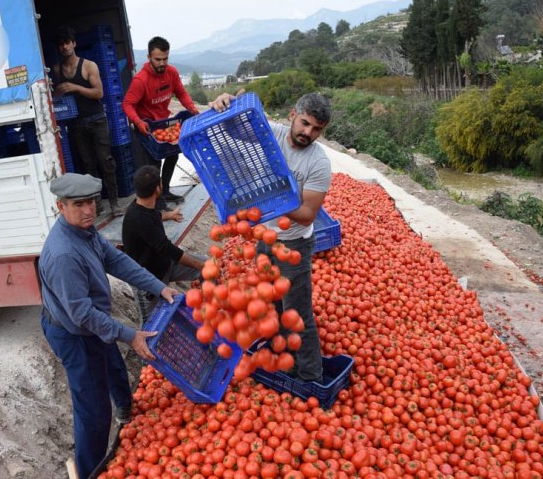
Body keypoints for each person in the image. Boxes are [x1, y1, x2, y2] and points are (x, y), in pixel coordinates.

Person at [39, 172, 179, 479]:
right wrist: (130, 335)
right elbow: (82, 315)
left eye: (91, 201)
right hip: (73, 333)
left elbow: (116, 261)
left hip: (89, 322)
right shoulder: (64, 254)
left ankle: (127, 412)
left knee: (115, 368)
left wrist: (158, 286)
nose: (89, 209)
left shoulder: (85, 231)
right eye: (79, 204)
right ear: (61, 207)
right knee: (93, 410)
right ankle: (90, 470)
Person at [209, 91, 332, 382]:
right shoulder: (270, 134)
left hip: (295, 244)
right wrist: (226, 103)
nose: (307, 133)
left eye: (316, 129)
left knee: (297, 311)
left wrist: (271, 201)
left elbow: (307, 214)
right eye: (304, 123)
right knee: (274, 305)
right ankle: (286, 362)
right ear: (293, 114)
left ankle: (311, 375)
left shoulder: (319, 163)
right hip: (266, 238)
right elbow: (231, 126)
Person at [52, 26, 124, 217]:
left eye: (67, 43)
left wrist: (74, 87)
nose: (65, 47)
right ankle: (97, 204)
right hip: (76, 123)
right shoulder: (57, 70)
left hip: (97, 119)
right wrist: (59, 91)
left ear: (74, 44)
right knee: (88, 166)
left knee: (106, 162)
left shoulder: (88, 65)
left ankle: (115, 204)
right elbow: (55, 97)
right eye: (61, 44)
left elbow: (99, 93)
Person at [122, 36, 199, 210]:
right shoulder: (140, 80)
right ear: (149, 57)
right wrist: (137, 121)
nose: (162, 63)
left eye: (165, 58)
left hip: (165, 123)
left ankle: (165, 190)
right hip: (148, 127)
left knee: (173, 154)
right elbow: (127, 104)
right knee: (154, 164)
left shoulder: (171, 73)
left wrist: (192, 108)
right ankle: (157, 202)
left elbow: (181, 93)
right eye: (158, 59)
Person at [121, 165, 206, 322]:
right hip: (147, 281)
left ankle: (209, 309)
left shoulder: (140, 205)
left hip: (165, 266)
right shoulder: (138, 219)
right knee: (150, 325)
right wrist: (199, 265)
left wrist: (169, 215)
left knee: (208, 269)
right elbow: (168, 249)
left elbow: (153, 215)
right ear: (158, 189)